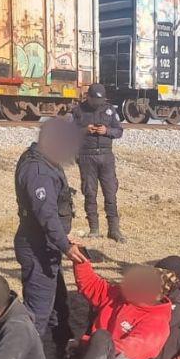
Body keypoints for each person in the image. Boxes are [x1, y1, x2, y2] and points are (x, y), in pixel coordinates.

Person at [31, 251, 171, 359]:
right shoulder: (118, 295)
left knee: (102, 337)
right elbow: (91, 285)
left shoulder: (157, 321)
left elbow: (129, 351)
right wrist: (81, 260)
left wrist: (84, 343)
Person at [14, 117, 85, 353]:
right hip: (38, 248)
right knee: (38, 313)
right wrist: (65, 245)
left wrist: (63, 238)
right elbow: (46, 214)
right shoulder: (38, 171)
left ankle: (57, 352)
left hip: (47, 245)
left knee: (57, 305)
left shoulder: (46, 162)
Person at [69, 83, 126, 241]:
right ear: (88, 97)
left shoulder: (110, 110)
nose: (98, 103)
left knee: (110, 193)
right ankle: (94, 228)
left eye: (100, 101)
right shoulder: (78, 111)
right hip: (86, 156)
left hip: (106, 156)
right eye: (95, 100)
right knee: (89, 193)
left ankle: (114, 230)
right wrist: (85, 130)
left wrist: (106, 131)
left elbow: (119, 131)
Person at [145, 255, 180, 359]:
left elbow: (156, 328)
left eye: (164, 276)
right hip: (133, 340)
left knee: (175, 334)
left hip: (158, 346)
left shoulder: (178, 306)